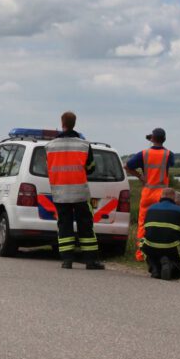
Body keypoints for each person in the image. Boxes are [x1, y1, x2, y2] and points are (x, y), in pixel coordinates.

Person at [44, 111, 105, 270]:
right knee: (86, 225)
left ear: (62, 123)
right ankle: (91, 261)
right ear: (74, 123)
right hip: (80, 193)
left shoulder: (50, 146)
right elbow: (91, 168)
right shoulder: (84, 145)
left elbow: (47, 169)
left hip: (60, 194)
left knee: (64, 226)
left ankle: (67, 260)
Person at [125, 127, 174, 261]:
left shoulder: (144, 153)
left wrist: (140, 177)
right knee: (161, 224)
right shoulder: (169, 154)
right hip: (163, 195)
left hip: (147, 192)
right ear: (164, 139)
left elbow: (127, 166)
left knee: (142, 224)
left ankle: (141, 255)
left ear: (152, 139)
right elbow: (169, 165)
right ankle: (159, 253)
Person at [140, 188, 180, 281]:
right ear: (174, 197)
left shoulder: (150, 209)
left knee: (142, 242)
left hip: (151, 247)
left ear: (161, 196)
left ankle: (154, 267)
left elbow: (146, 228)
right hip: (171, 247)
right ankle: (172, 265)